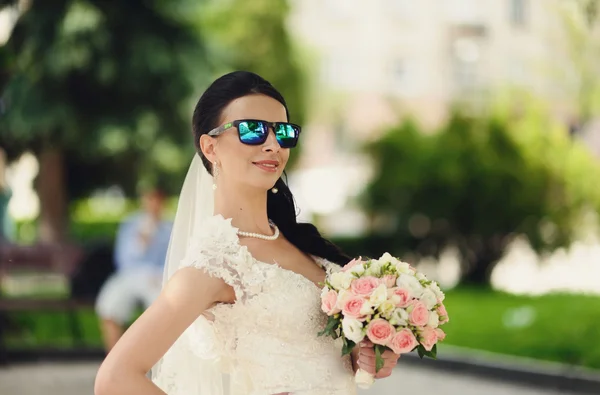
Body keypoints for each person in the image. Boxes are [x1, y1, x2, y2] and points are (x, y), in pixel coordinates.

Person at [94, 71, 400, 395]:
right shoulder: (214, 262)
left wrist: (362, 355)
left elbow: (316, 354)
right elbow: (115, 378)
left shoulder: (299, 243)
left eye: (283, 133)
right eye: (252, 130)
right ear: (210, 148)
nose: (272, 145)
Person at [95, 186, 172, 352]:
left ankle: (152, 360)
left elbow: (172, 259)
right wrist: (140, 240)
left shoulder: (169, 227)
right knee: (109, 307)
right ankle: (115, 358)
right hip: (129, 275)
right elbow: (122, 258)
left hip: (156, 277)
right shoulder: (130, 225)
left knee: (162, 311)